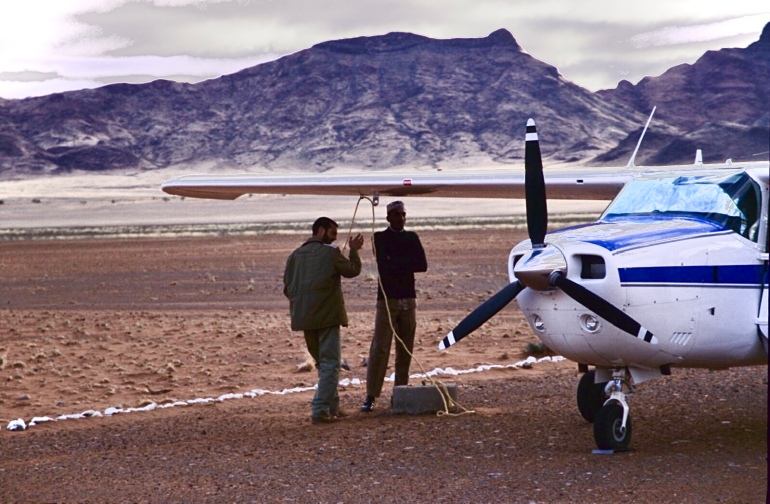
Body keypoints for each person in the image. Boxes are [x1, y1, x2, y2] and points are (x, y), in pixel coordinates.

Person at [283, 216, 364, 424]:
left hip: (304, 318)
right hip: (326, 317)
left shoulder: (294, 256)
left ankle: (332, 407)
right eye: (332, 233)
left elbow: (287, 289)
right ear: (320, 231)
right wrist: (354, 250)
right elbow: (352, 271)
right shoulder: (330, 253)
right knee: (331, 363)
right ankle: (320, 409)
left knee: (323, 363)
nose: (334, 239)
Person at [361, 201, 428, 412]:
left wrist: (396, 260)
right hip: (387, 301)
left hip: (409, 300)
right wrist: (405, 261)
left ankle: (400, 392)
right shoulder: (379, 238)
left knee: (405, 349)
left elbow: (422, 265)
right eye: (397, 215)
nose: (401, 218)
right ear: (388, 217)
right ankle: (371, 395)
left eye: (403, 214)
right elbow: (386, 264)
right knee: (380, 348)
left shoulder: (412, 237)